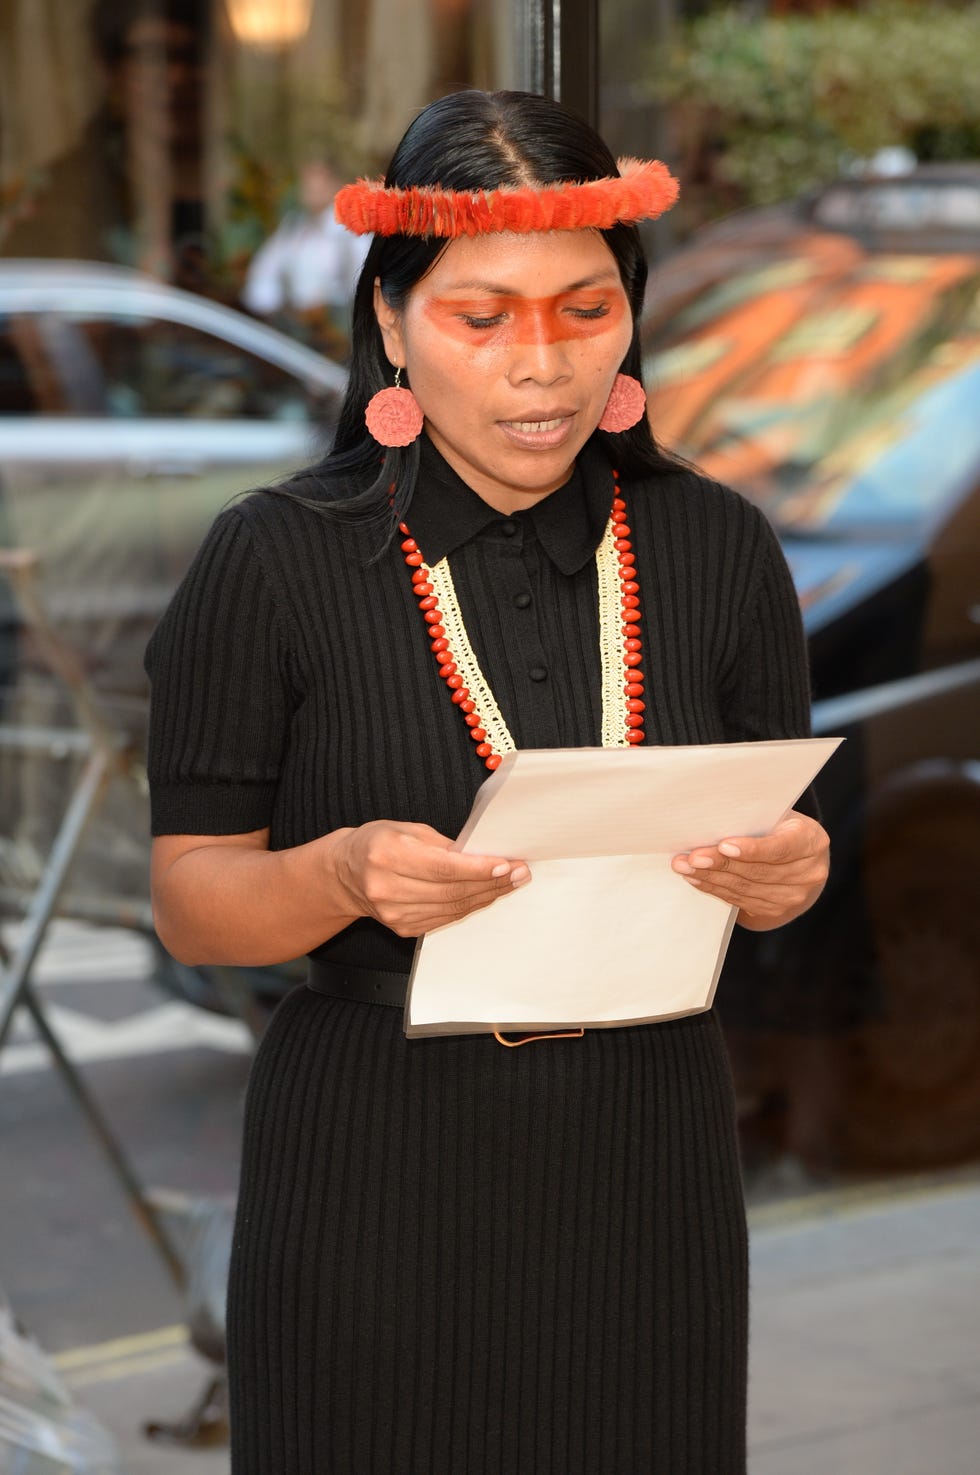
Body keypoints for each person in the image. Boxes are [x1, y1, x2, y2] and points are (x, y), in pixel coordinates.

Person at [144, 89, 830, 1473]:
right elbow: (194, 900)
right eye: (484, 316)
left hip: (650, 1151)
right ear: (392, 325)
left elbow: (778, 841)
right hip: (375, 1157)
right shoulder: (275, 560)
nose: (543, 366)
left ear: (632, 317)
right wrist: (333, 874)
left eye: (585, 311)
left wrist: (787, 874)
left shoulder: (715, 544)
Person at [241, 159, 371, 358]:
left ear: (336, 184)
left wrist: (327, 312)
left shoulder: (353, 233)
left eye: (318, 179)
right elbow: (260, 281)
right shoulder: (292, 229)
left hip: (340, 343)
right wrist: (283, 311)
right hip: (294, 340)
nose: (310, 187)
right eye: (306, 181)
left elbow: (366, 288)